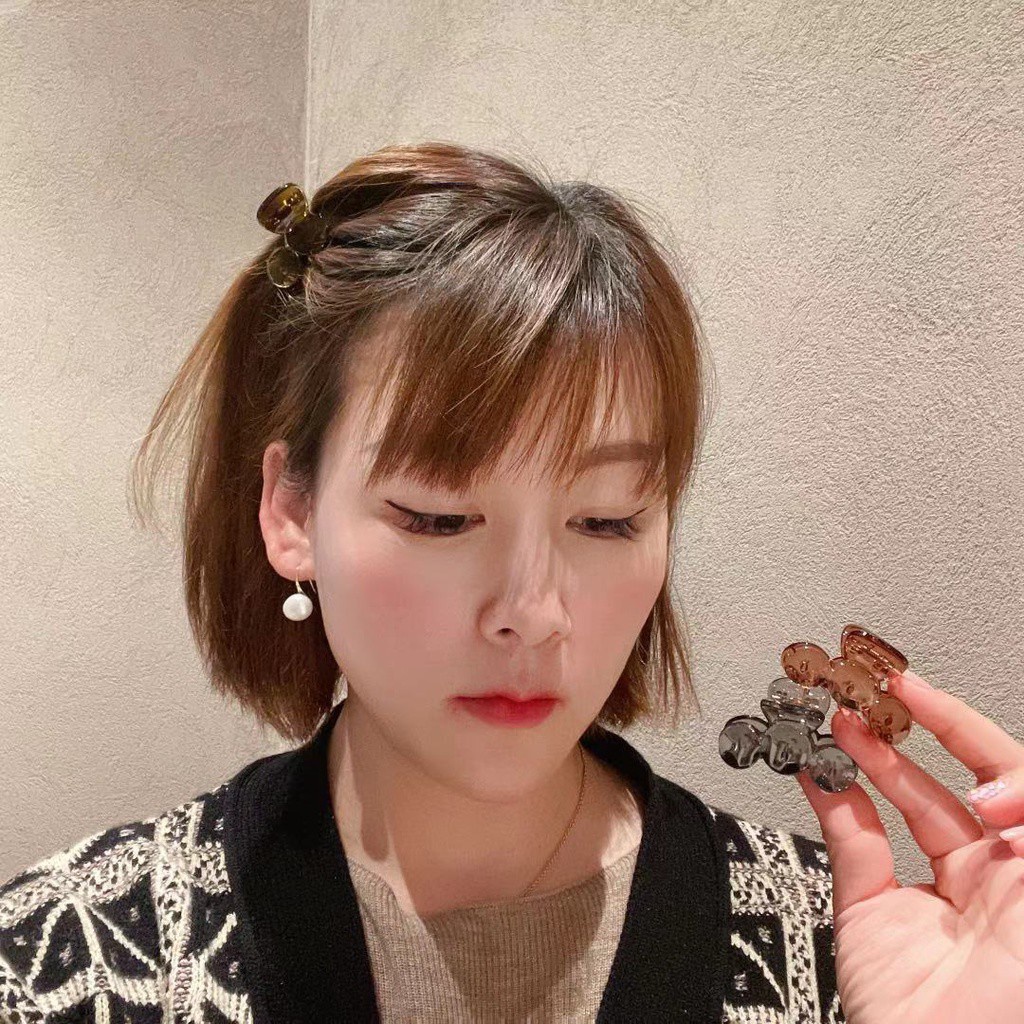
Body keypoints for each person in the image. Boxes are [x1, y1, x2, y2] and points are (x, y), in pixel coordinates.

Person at [1, 142, 1021, 1024]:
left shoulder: (845, 947)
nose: (533, 613)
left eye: (607, 518)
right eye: (437, 516)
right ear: (292, 513)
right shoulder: (70, 959)